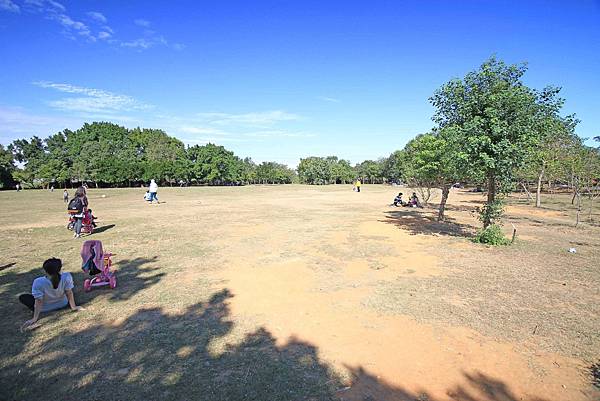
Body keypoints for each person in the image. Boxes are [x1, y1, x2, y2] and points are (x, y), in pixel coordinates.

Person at [19, 258, 83, 330]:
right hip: (62, 303)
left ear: (45, 270)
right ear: (59, 268)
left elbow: (38, 301)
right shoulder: (67, 276)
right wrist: (73, 307)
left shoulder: (38, 282)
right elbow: (69, 292)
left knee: (23, 297)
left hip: (44, 308)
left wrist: (34, 318)